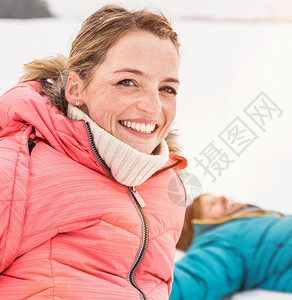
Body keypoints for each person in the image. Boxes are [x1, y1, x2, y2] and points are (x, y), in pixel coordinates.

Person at [0, 5, 187, 299]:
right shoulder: (19, 167)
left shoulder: (168, 186)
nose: (153, 107)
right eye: (128, 82)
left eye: (167, 89)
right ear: (76, 88)